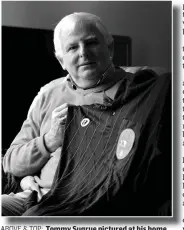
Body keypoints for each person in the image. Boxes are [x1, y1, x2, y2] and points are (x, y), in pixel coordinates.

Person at [2, 12, 171, 216]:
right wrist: (49, 141)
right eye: (72, 47)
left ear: (109, 49)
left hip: (84, 201)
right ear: (61, 60)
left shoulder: (140, 92)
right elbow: (11, 162)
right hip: (33, 195)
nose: (84, 53)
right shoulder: (49, 93)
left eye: (91, 43)